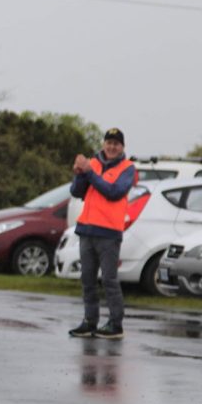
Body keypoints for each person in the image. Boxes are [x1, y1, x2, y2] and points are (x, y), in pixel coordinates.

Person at [67, 128, 135, 340]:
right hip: (87, 229)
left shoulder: (128, 168)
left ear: (122, 147)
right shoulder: (92, 163)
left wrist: (89, 172)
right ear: (104, 144)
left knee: (109, 279)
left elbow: (114, 192)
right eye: (109, 142)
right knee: (87, 278)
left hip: (109, 233)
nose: (112, 147)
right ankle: (90, 321)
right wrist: (79, 173)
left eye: (116, 143)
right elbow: (77, 191)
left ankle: (116, 323)